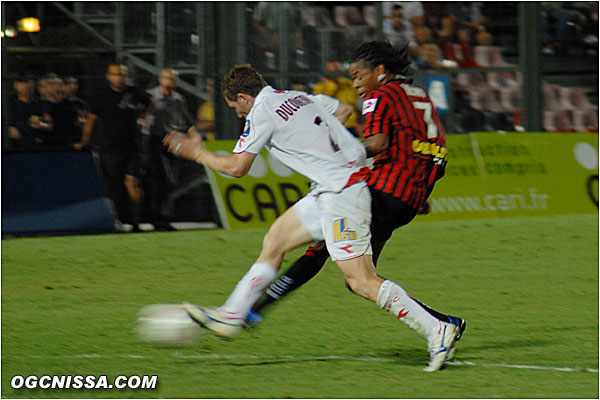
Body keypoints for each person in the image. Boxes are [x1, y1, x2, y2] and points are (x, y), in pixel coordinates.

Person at [164, 63, 462, 372]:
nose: (239, 116)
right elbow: (344, 109)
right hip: (331, 189)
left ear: (243, 97)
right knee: (276, 239)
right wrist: (321, 146)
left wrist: (197, 153)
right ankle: (232, 314)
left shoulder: (261, 111)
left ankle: (436, 328)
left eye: (235, 108)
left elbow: (237, 168)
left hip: (343, 195)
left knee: (360, 280)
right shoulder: (298, 96)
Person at [248, 41, 465, 360]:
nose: (357, 84)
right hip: (407, 196)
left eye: (359, 75)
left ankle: (255, 310)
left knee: (331, 252)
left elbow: (377, 142)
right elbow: (431, 149)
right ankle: (445, 323)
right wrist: (419, 191)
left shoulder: (380, 95)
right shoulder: (416, 94)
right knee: (362, 278)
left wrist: (334, 160)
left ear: (380, 70)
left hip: (387, 189)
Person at [74, 63, 150, 232]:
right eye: (116, 74)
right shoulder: (102, 96)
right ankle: (122, 220)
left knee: (133, 183)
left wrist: (143, 122)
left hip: (132, 147)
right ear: (109, 77)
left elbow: (148, 105)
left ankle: (136, 222)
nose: (120, 78)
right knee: (115, 187)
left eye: (122, 74)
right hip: (109, 147)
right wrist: (84, 140)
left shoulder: (134, 93)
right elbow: (91, 120)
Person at [143, 67, 195, 231]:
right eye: (167, 78)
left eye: (173, 79)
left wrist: (188, 135)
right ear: (160, 79)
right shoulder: (150, 96)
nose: (169, 82)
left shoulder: (178, 99)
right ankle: (156, 217)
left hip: (171, 141)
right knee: (159, 178)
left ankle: (162, 217)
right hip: (153, 140)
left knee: (169, 179)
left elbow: (183, 120)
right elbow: (143, 120)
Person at [7, 76, 45, 150]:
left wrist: (40, 124)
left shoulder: (39, 103)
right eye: (22, 82)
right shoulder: (9, 103)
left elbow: (46, 123)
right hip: (15, 147)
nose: (26, 86)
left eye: (28, 82)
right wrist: (8, 128)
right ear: (15, 85)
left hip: (36, 144)